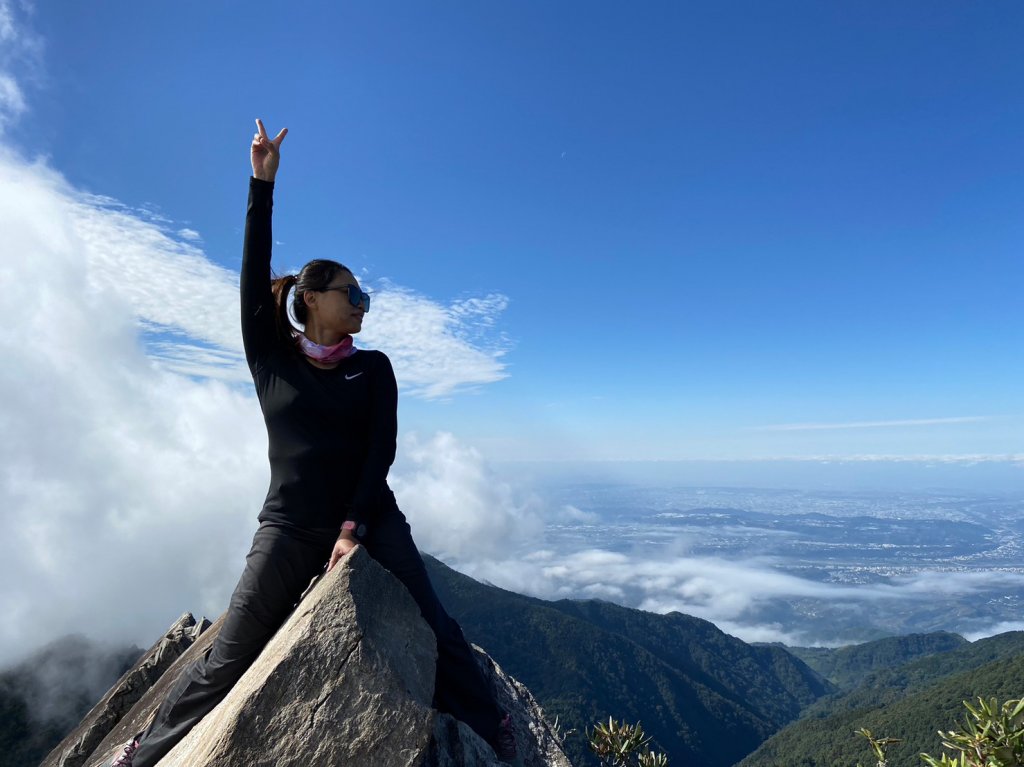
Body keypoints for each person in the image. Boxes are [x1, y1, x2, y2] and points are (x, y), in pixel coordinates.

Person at [110, 120, 517, 766]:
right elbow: (249, 278)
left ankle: (491, 725)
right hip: (291, 524)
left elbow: (378, 452)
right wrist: (261, 184)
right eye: (352, 293)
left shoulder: (373, 367)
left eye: (364, 295)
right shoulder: (272, 361)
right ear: (313, 299)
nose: (363, 304)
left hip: (369, 515)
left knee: (436, 624)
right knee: (229, 655)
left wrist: (353, 526)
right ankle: (143, 751)